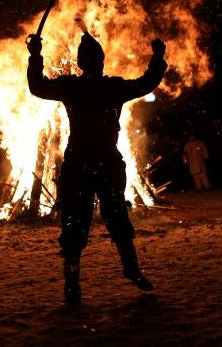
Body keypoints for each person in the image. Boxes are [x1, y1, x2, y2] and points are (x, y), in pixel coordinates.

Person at [27, 31, 167, 305]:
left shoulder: (78, 87)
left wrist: (35, 57)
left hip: (90, 163)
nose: (94, 62)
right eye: (92, 58)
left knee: (89, 221)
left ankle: (92, 277)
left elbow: (38, 87)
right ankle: (97, 276)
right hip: (93, 163)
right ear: (93, 62)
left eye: (94, 58)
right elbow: (147, 82)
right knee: (95, 220)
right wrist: (158, 60)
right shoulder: (106, 87)